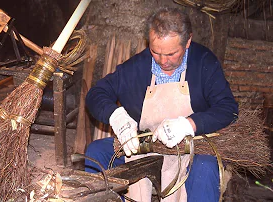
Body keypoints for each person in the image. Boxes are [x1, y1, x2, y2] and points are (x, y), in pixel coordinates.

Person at [84, 7, 238, 202]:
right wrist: (116, 116)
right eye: (156, 52)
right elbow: (96, 94)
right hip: (148, 145)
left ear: (188, 41)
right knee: (96, 153)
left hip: (193, 147)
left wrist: (188, 124)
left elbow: (228, 109)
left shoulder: (204, 63)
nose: (163, 61)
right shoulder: (136, 67)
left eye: (171, 54)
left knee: (205, 169)